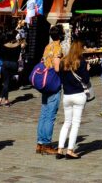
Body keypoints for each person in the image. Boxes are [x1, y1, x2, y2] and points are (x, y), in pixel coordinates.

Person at [56, 40, 90, 159]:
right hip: (79, 95)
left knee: (66, 122)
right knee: (75, 124)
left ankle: (60, 149)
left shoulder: (63, 62)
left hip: (67, 95)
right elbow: (86, 80)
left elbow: (60, 78)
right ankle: (70, 150)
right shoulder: (81, 62)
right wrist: (87, 71)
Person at [36, 25, 64, 154]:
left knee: (44, 113)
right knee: (50, 116)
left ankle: (40, 143)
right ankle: (47, 144)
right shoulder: (57, 48)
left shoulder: (47, 46)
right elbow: (57, 68)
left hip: (45, 82)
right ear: (61, 35)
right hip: (53, 83)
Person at [0, 31, 21, 107]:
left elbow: (0, 56)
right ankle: (4, 100)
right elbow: (17, 56)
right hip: (14, 64)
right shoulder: (18, 45)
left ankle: (2, 100)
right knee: (7, 82)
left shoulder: (4, 45)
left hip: (6, 63)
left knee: (6, 82)